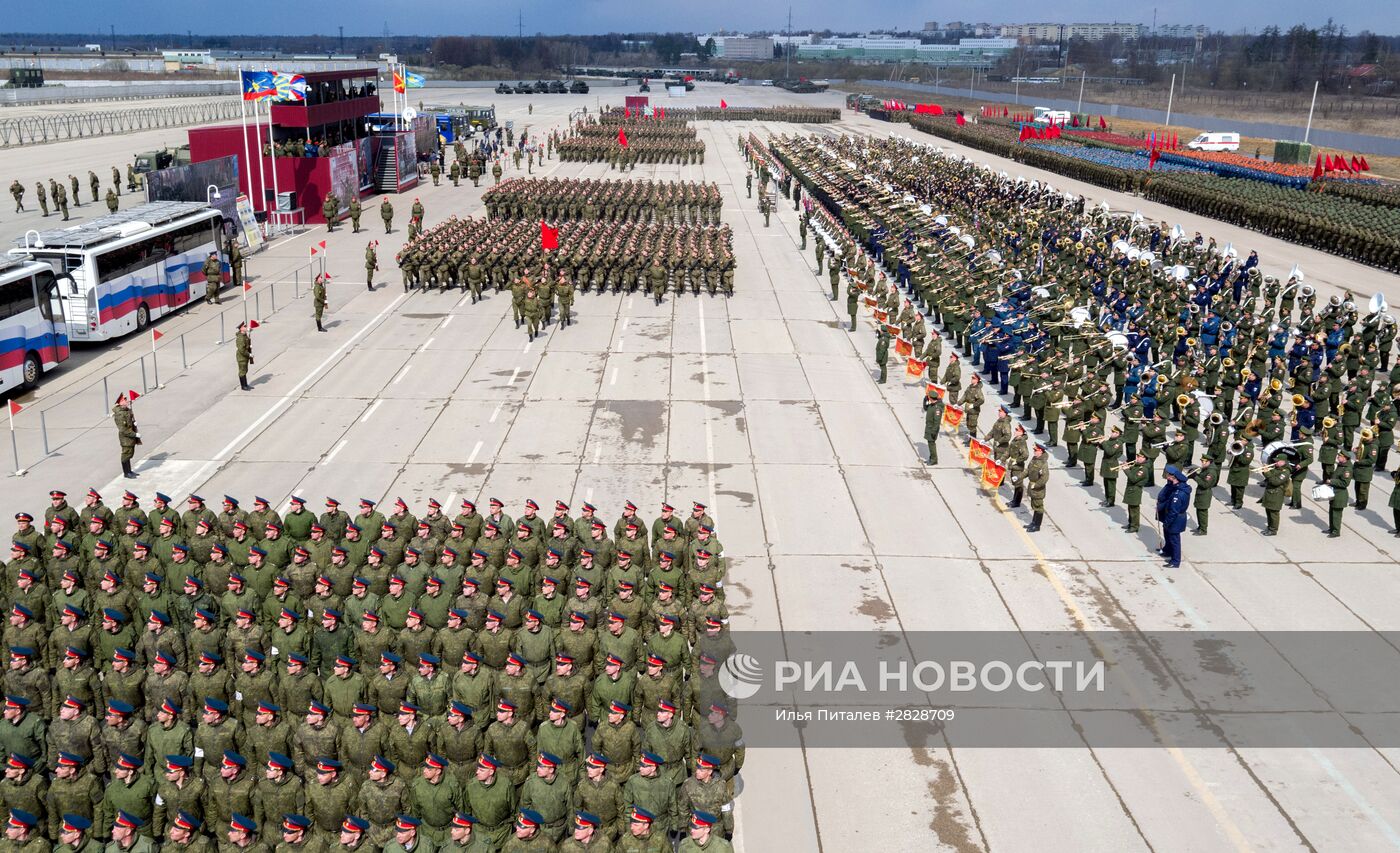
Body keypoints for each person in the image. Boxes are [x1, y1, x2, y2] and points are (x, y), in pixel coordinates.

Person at [1156, 465, 1191, 569]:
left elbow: (1174, 511)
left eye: (1170, 477)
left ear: (1176, 479)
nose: (1168, 478)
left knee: (1174, 540)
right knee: (1168, 535)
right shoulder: (1175, 487)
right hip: (1171, 517)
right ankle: (1167, 550)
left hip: (1175, 519)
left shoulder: (1178, 494)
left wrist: (1167, 522)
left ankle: (1175, 561)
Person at [112, 394, 140, 480]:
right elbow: (123, 429)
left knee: (129, 454)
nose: (127, 401)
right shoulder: (120, 415)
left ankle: (129, 471)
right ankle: (126, 473)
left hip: (130, 436)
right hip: (126, 438)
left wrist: (133, 423)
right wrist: (135, 434)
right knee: (126, 455)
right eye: (125, 400)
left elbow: (129, 421)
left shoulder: (127, 410)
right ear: (120, 403)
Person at [235, 322, 253, 391]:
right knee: (242, 371)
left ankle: (245, 384)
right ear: (241, 328)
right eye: (245, 326)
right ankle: (243, 386)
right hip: (242, 357)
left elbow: (247, 341)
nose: (246, 327)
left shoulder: (244, 335)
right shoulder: (240, 338)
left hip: (244, 356)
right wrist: (249, 354)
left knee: (245, 370)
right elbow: (241, 350)